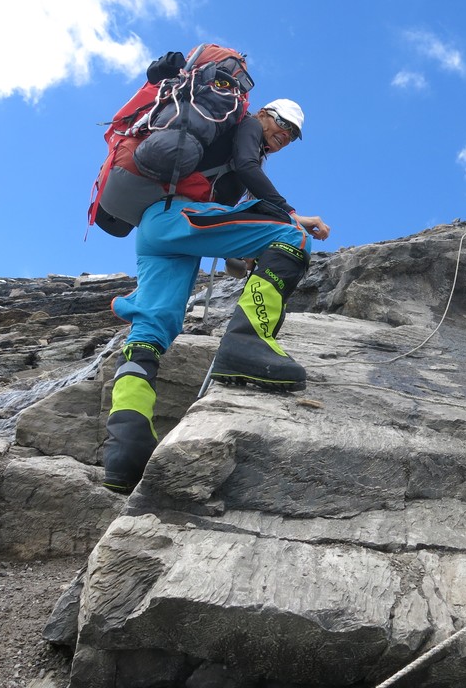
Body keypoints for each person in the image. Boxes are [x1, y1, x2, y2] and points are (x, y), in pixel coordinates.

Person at [102, 97, 331, 494]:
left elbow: (232, 221)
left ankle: (126, 447)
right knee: (292, 236)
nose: (286, 136)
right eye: (283, 125)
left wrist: (239, 254)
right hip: (178, 216)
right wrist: (291, 214)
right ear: (264, 114)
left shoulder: (224, 156)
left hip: (158, 228)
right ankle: (247, 345)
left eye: (293, 135)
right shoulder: (247, 126)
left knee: (152, 326)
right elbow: (247, 168)